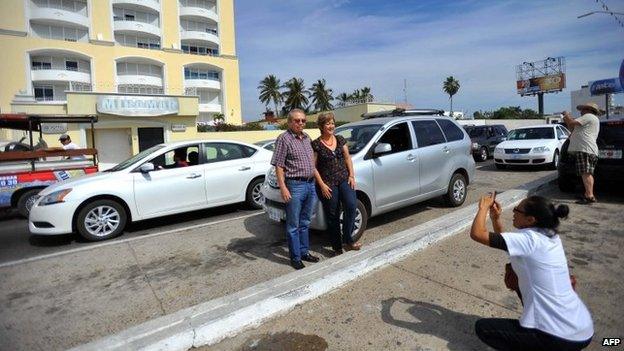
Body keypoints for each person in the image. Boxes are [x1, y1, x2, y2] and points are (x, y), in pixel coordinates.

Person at [470, 194, 593, 351]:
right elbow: (508, 242)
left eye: (517, 210)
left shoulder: (529, 239)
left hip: (561, 337)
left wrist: (483, 208)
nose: (513, 212)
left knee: (484, 328)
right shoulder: (549, 235)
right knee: (519, 280)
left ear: (530, 219)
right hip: (582, 330)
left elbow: (477, 233)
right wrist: (495, 218)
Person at [271, 108, 320, 270]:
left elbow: (313, 159)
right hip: (295, 185)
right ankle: (295, 257)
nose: (300, 123)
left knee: (305, 222)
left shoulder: (307, 138)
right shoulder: (284, 139)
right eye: (297, 120)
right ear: (289, 122)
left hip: (310, 184)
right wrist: (283, 187)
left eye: (303, 120)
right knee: (293, 224)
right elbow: (279, 165)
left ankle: (304, 252)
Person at [312, 112, 361, 255]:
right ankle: (337, 247)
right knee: (332, 215)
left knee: (351, 206)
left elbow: (347, 158)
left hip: (344, 179)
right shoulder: (316, 144)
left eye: (332, 123)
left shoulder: (340, 139)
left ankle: (348, 239)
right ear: (321, 126)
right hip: (327, 184)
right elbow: (313, 167)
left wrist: (351, 175)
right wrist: (321, 184)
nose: (331, 126)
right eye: (327, 123)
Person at [562, 102, 600, 204]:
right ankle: (588, 194)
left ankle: (589, 196)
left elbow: (571, 122)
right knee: (585, 173)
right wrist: (567, 119)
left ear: (588, 110)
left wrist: (567, 115)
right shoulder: (588, 119)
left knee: (586, 173)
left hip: (585, 149)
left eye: (582, 109)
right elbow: (571, 127)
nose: (581, 112)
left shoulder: (589, 116)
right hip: (585, 149)